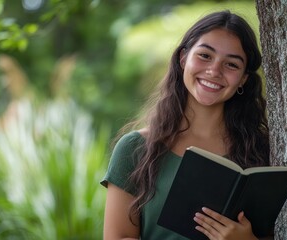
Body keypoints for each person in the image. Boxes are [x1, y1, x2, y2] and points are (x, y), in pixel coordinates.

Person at [101, 10, 271, 240]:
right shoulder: (135, 148)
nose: (214, 71)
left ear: (243, 79)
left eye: (231, 64)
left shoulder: (264, 152)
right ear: (183, 58)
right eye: (205, 56)